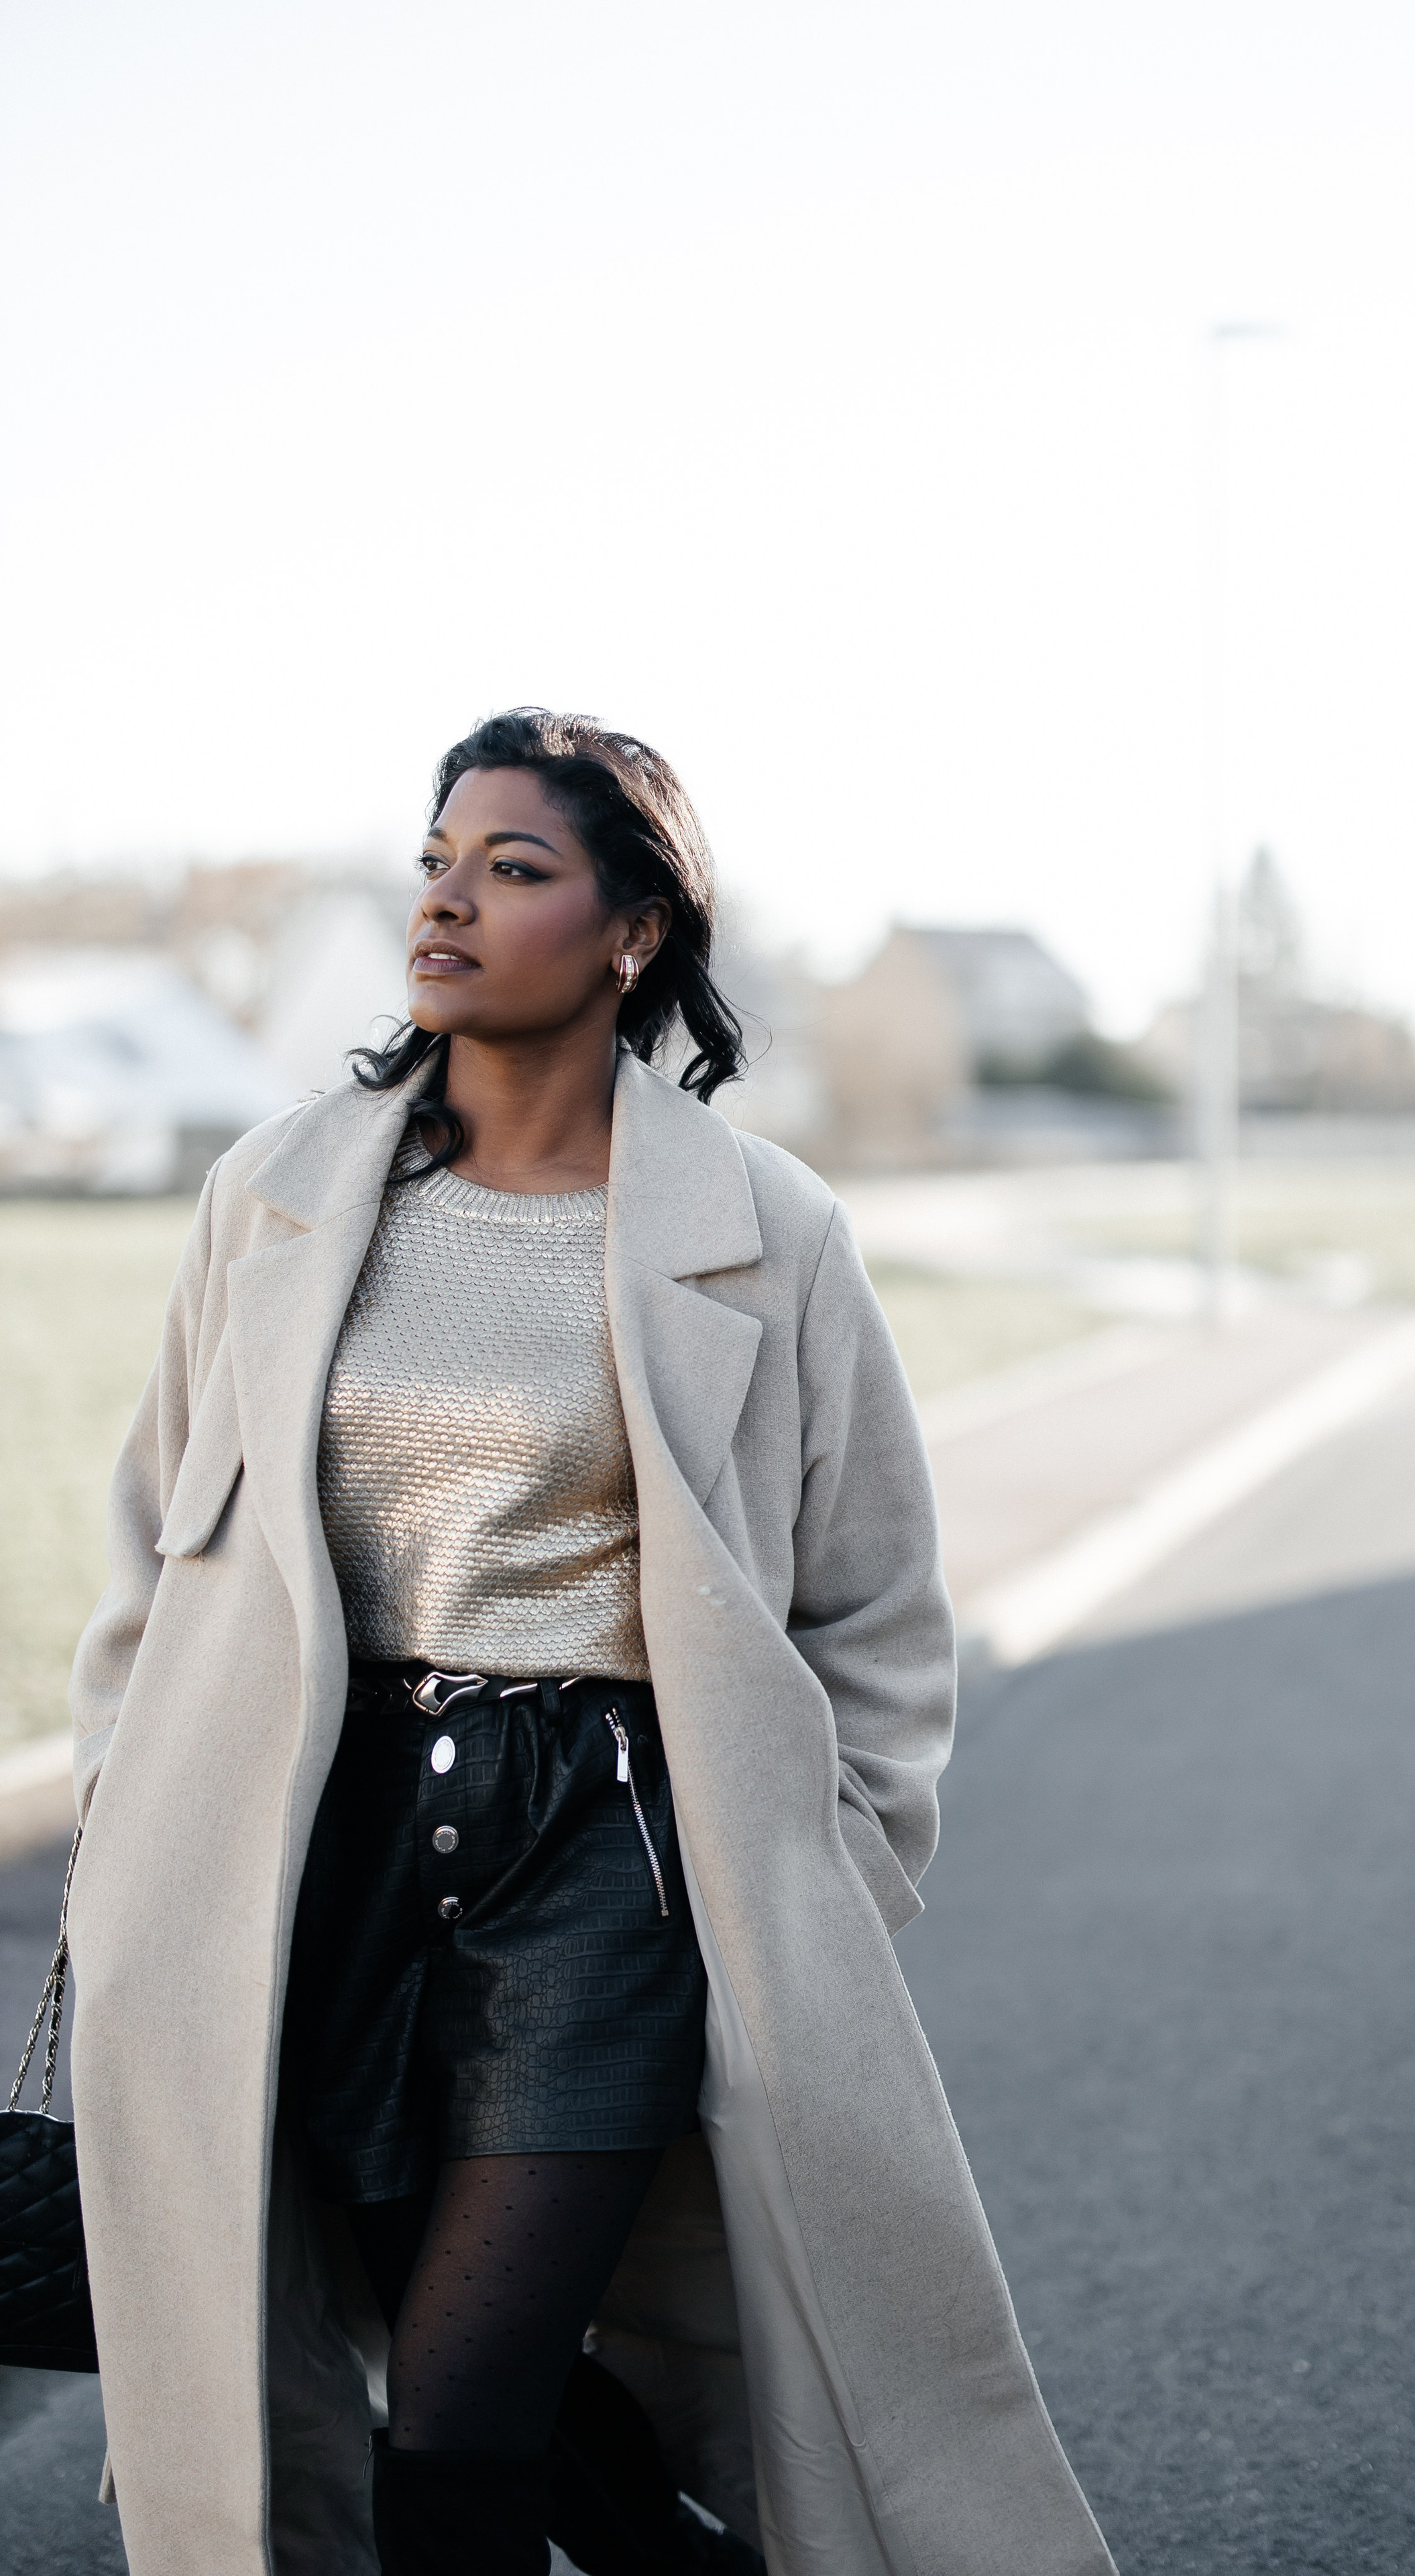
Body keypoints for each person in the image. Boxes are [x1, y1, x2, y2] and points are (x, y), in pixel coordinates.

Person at [66, 708, 1117, 2576]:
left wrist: (833, 1866)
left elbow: (873, 1601)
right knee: (444, 2368)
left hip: (607, 1852)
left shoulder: (765, 1231)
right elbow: (161, 1544)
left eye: (515, 868)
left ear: (635, 931)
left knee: (458, 2435)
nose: (447, 902)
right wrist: (129, 1825)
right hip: (322, 1845)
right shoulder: (278, 1195)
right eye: (436, 861)